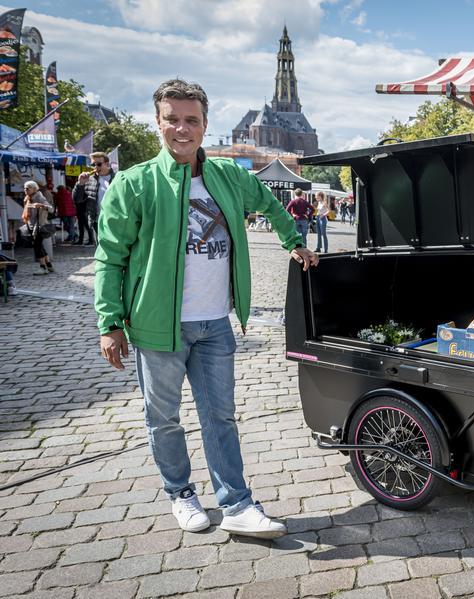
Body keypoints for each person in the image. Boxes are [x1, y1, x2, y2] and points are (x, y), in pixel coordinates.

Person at [95, 79, 319, 538]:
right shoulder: (133, 184)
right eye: (172, 119)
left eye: (191, 119)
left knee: (220, 416)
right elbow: (111, 257)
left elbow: (273, 206)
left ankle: (236, 504)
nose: (182, 128)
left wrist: (293, 242)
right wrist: (110, 322)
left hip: (215, 323)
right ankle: (179, 493)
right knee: (164, 417)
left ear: (204, 124)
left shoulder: (229, 176)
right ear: (158, 122)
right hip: (158, 326)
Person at [73, 152, 115, 245]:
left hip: (115, 221)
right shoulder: (89, 180)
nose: (95, 167)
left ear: (107, 164)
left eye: (99, 164)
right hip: (96, 221)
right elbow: (77, 200)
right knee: (101, 249)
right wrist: (80, 184)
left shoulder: (117, 178)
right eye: (93, 164)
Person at [23, 181, 55, 275]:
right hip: (31, 225)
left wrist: (41, 205)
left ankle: (42, 267)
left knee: (37, 246)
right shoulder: (28, 198)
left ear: (34, 188)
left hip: (39, 225)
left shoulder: (39, 196)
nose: (25, 190)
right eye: (24, 188)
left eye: (27, 188)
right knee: (39, 245)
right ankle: (49, 265)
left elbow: (51, 209)